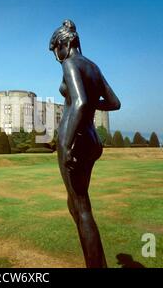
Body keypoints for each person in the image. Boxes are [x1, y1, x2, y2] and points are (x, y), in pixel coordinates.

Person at [49, 19, 121, 268]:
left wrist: (66, 144)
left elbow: (78, 102)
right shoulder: (93, 67)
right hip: (91, 139)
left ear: (67, 43)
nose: (57, 56)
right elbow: (114, 103)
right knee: (76, 205)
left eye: (57, 48)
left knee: (81, 207)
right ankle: (97, 263)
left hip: (75, 139)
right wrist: (92, 102)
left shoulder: (70, 63)